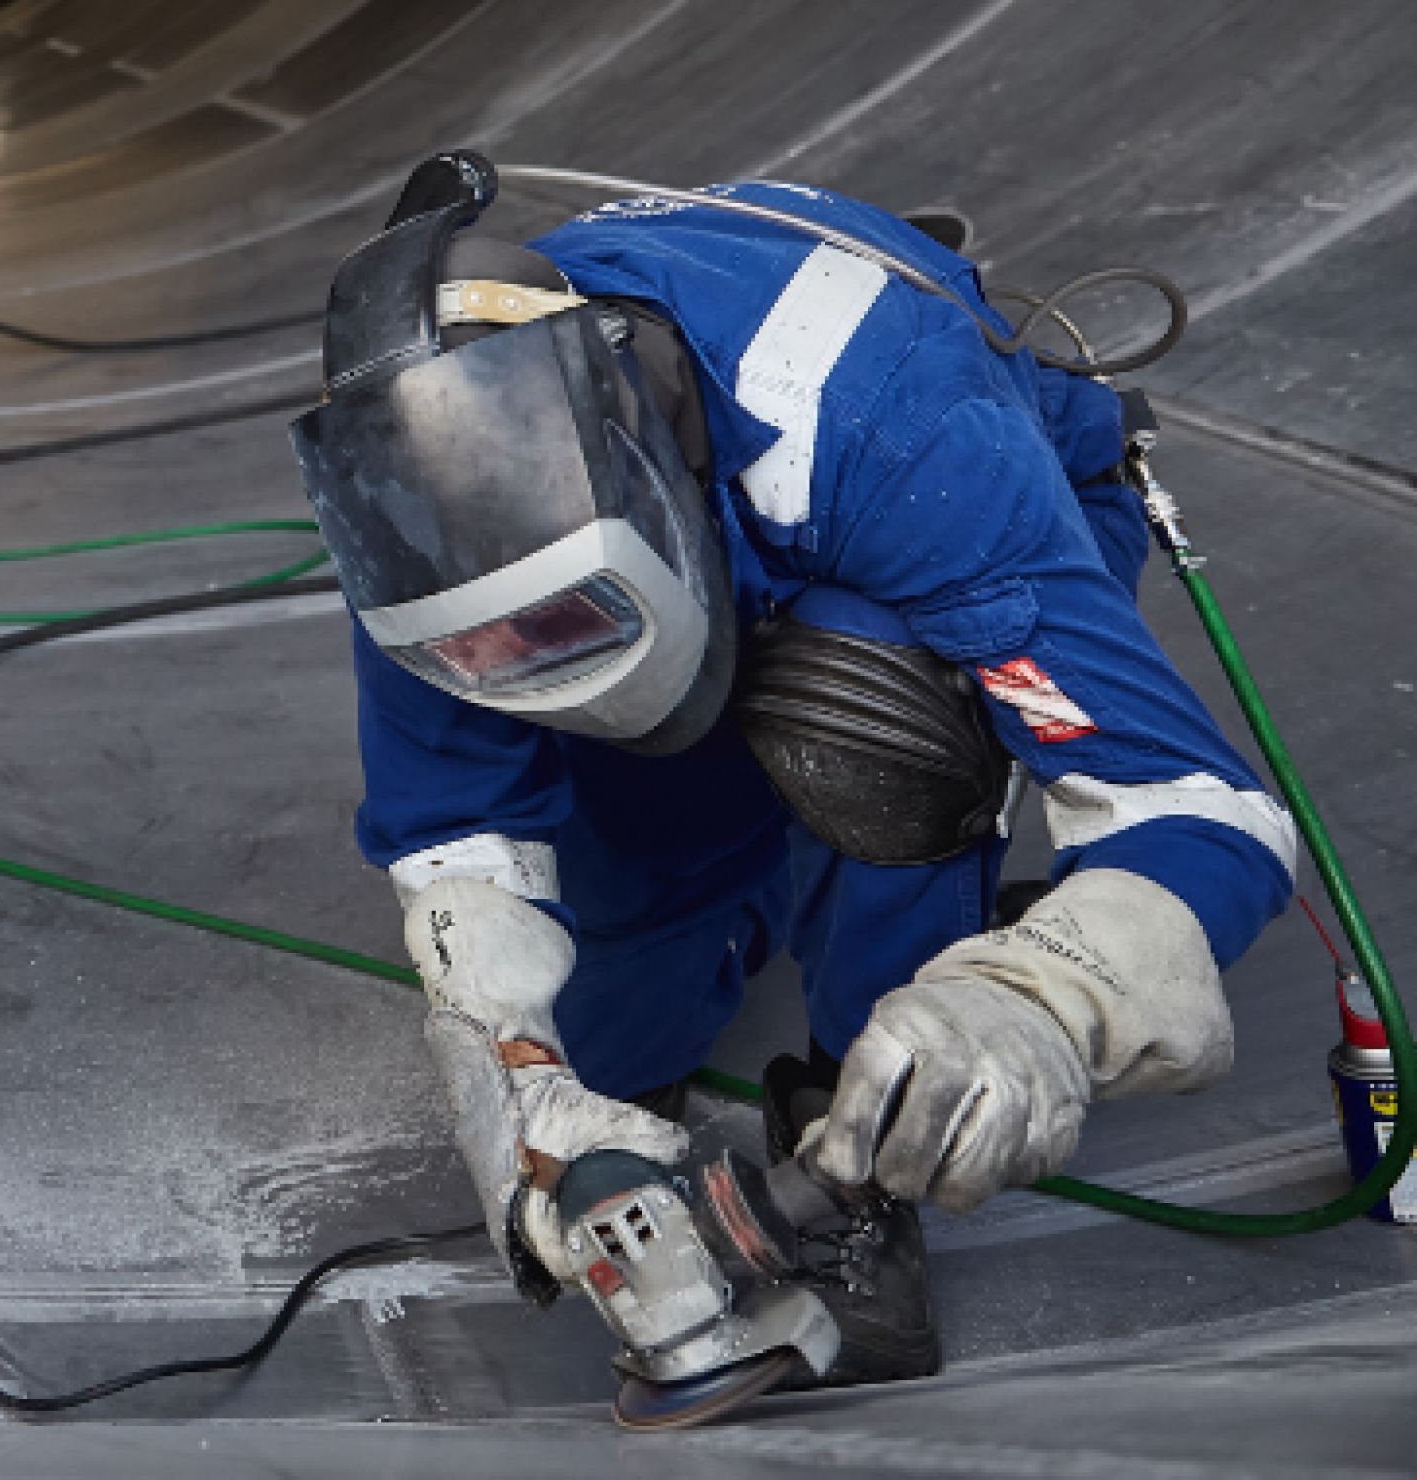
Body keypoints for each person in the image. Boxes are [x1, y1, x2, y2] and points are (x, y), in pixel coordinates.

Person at [291, 153, 1295, 1385]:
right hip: (719, 574)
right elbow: (461, 839)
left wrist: (1044, 1001)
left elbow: (1192, 807)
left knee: (867, 709)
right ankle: (746, 865)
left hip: (890, 548)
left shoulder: (908, 433)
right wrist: (523, 1083)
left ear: (643, 476)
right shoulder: (426, 508)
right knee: (613, 1031)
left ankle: (853, 1142)